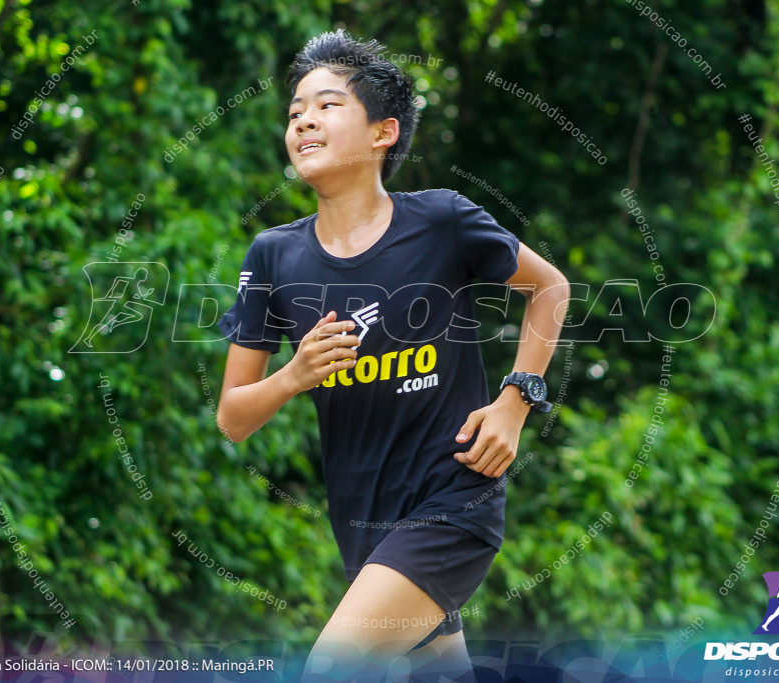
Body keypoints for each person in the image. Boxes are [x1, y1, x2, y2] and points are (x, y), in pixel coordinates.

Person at [215, 29, 569, 682]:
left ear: (383, 132)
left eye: (326, 105)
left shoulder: (442, 221)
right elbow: (233, 417)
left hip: (454, 500)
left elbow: (549, 286)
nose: (304, 121)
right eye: (295, 112)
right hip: (363, 524)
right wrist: (295, 374)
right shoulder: (273, 255)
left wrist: (516, 403)